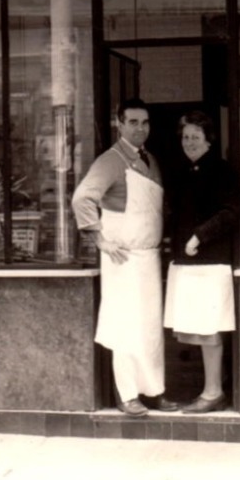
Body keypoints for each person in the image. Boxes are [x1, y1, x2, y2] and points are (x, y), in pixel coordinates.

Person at [71, 99, 177, 417]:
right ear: (120, 124)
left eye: (145, 122)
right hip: (123, 258)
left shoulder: (151, 160)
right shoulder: (110, 161)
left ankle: (154, 391)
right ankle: (127, 394)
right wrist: (101, 240)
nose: (140, 128)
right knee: (126, 328)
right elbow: (82, 199)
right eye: (133, 122)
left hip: (148, 258)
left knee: (149, 331)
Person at [162, 110, 240, 414]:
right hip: (188, 264)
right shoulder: (184, 171)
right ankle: (212, 384)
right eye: (185, 137)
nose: (190, 142)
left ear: (209, 139)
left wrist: (199, 237)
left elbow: (232, 212)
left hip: (209, 263)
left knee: (209, 330)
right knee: (196, 329)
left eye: (196, 136)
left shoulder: (221, 171)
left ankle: (213, 393)